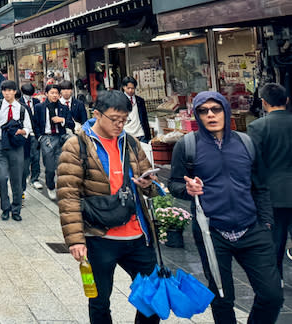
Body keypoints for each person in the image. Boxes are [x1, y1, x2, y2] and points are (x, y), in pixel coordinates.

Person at [170, 91, 283, 323]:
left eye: (216, 109)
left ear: (225, 110)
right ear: (197, 115)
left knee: (272, 295)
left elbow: (260, 186)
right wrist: (187, 189)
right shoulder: (187, 145)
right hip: (212, 232)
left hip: (251, 229)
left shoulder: (246, 143)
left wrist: (266, 223)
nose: (210, 115)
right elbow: (173, 183)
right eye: (203, 111)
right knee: (222, 298)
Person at [57, 90, 159, 324]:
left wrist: (148, 185)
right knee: (100, 301)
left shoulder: (131, 143)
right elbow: (68, 195)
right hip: (99, 236)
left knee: (151, 295)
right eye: (114, 119)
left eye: (124, 119)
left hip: (137, 235)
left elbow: (150, 187)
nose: (119, 124)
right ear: (97, 114)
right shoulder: (77, 145)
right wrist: (75, 240)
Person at [248, 82, 292, 283]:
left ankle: (277, 279)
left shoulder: (257, 127)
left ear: (264, 103)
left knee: (275, 239)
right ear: (287, 101)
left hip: (272, 193)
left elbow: (254, 162)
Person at [0, 80, 31, 221]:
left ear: (14, 92)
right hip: (0, 145)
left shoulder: (21, 108)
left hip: (16, 146)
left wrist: (20, 131)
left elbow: (28, 128)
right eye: (5, 90)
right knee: (1, 177)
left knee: (17, 179)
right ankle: (5, 208)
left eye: (10, 90)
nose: (7, 93)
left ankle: (16, 208)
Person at [31, 83, 75, 200]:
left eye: (56, 93)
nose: (54, 95)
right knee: (50, 166)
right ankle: (50, 186)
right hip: (47, 137)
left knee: (62, 166)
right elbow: (35, 124)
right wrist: (40, 137)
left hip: (60, 137)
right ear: (46, 94)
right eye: (52, 93)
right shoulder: (39, 107)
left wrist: (62, 120)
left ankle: (62, 188)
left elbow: (71, 124)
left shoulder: (64, 108)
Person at [20, 83, 42, 191]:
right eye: (27, 94)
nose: (29, 97)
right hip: (24, 134)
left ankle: (35, 178)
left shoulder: (36, 102)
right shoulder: (19, 103)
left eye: (30, 94)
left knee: (36, 157)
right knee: (25, 158)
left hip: (35, 133)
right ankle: (25, 176)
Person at [120, 76, 152, 143]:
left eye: (133, 88)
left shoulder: (140, 101)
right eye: (128, 88)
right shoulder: (119, 101)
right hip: (127, 135)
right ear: (123, 87)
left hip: (141, 134)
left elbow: (145, 119)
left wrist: (148, 136)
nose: (130, 90)